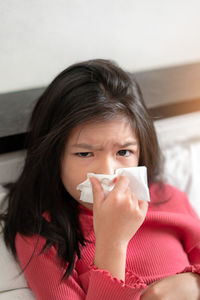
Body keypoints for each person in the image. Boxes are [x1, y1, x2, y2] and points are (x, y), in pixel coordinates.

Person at [1, 59, 200, 300]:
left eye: (123, 152)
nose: (107, 172)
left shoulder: (168, 198)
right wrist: (112, 243)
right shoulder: (41, 236)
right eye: (85, 154)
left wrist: (191, 283)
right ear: (55, 158)